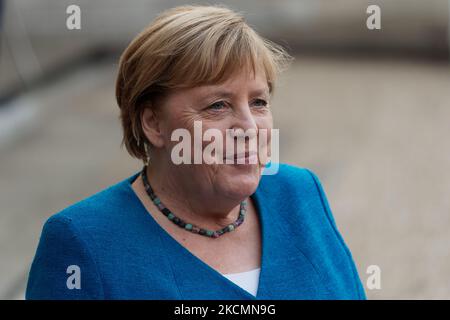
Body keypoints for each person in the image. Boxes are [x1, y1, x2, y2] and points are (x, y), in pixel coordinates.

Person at [26, 4, 366, 299]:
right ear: (153, 124)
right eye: (218, 105)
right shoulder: (83, 243)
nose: (249, 128)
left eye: (259, 102)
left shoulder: (300, 192)